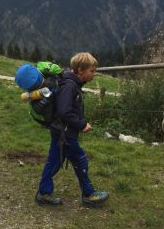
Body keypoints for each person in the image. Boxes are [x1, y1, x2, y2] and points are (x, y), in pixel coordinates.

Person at [36, 52, 109, 208]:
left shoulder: (71, 83)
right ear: (80, 70)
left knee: (54, 161)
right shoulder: (70, 86)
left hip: (60, 130)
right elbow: (64, 111)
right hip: (65, 132)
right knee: (80, 159)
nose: (94, 74)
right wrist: (82, 124)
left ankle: (44, 192)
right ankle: (88, 194)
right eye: (92, 70)